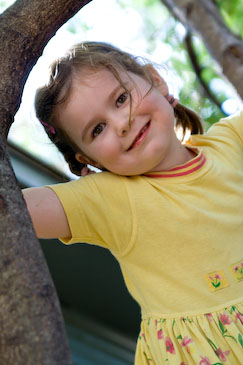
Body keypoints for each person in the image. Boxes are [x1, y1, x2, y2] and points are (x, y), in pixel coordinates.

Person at [23, 41, 243, 364]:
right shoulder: (112, 199)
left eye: (121, 98)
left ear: (156, 79)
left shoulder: (232, 141)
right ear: (89, 160)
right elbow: (15, 209)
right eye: (98, 130)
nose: (121, 123)